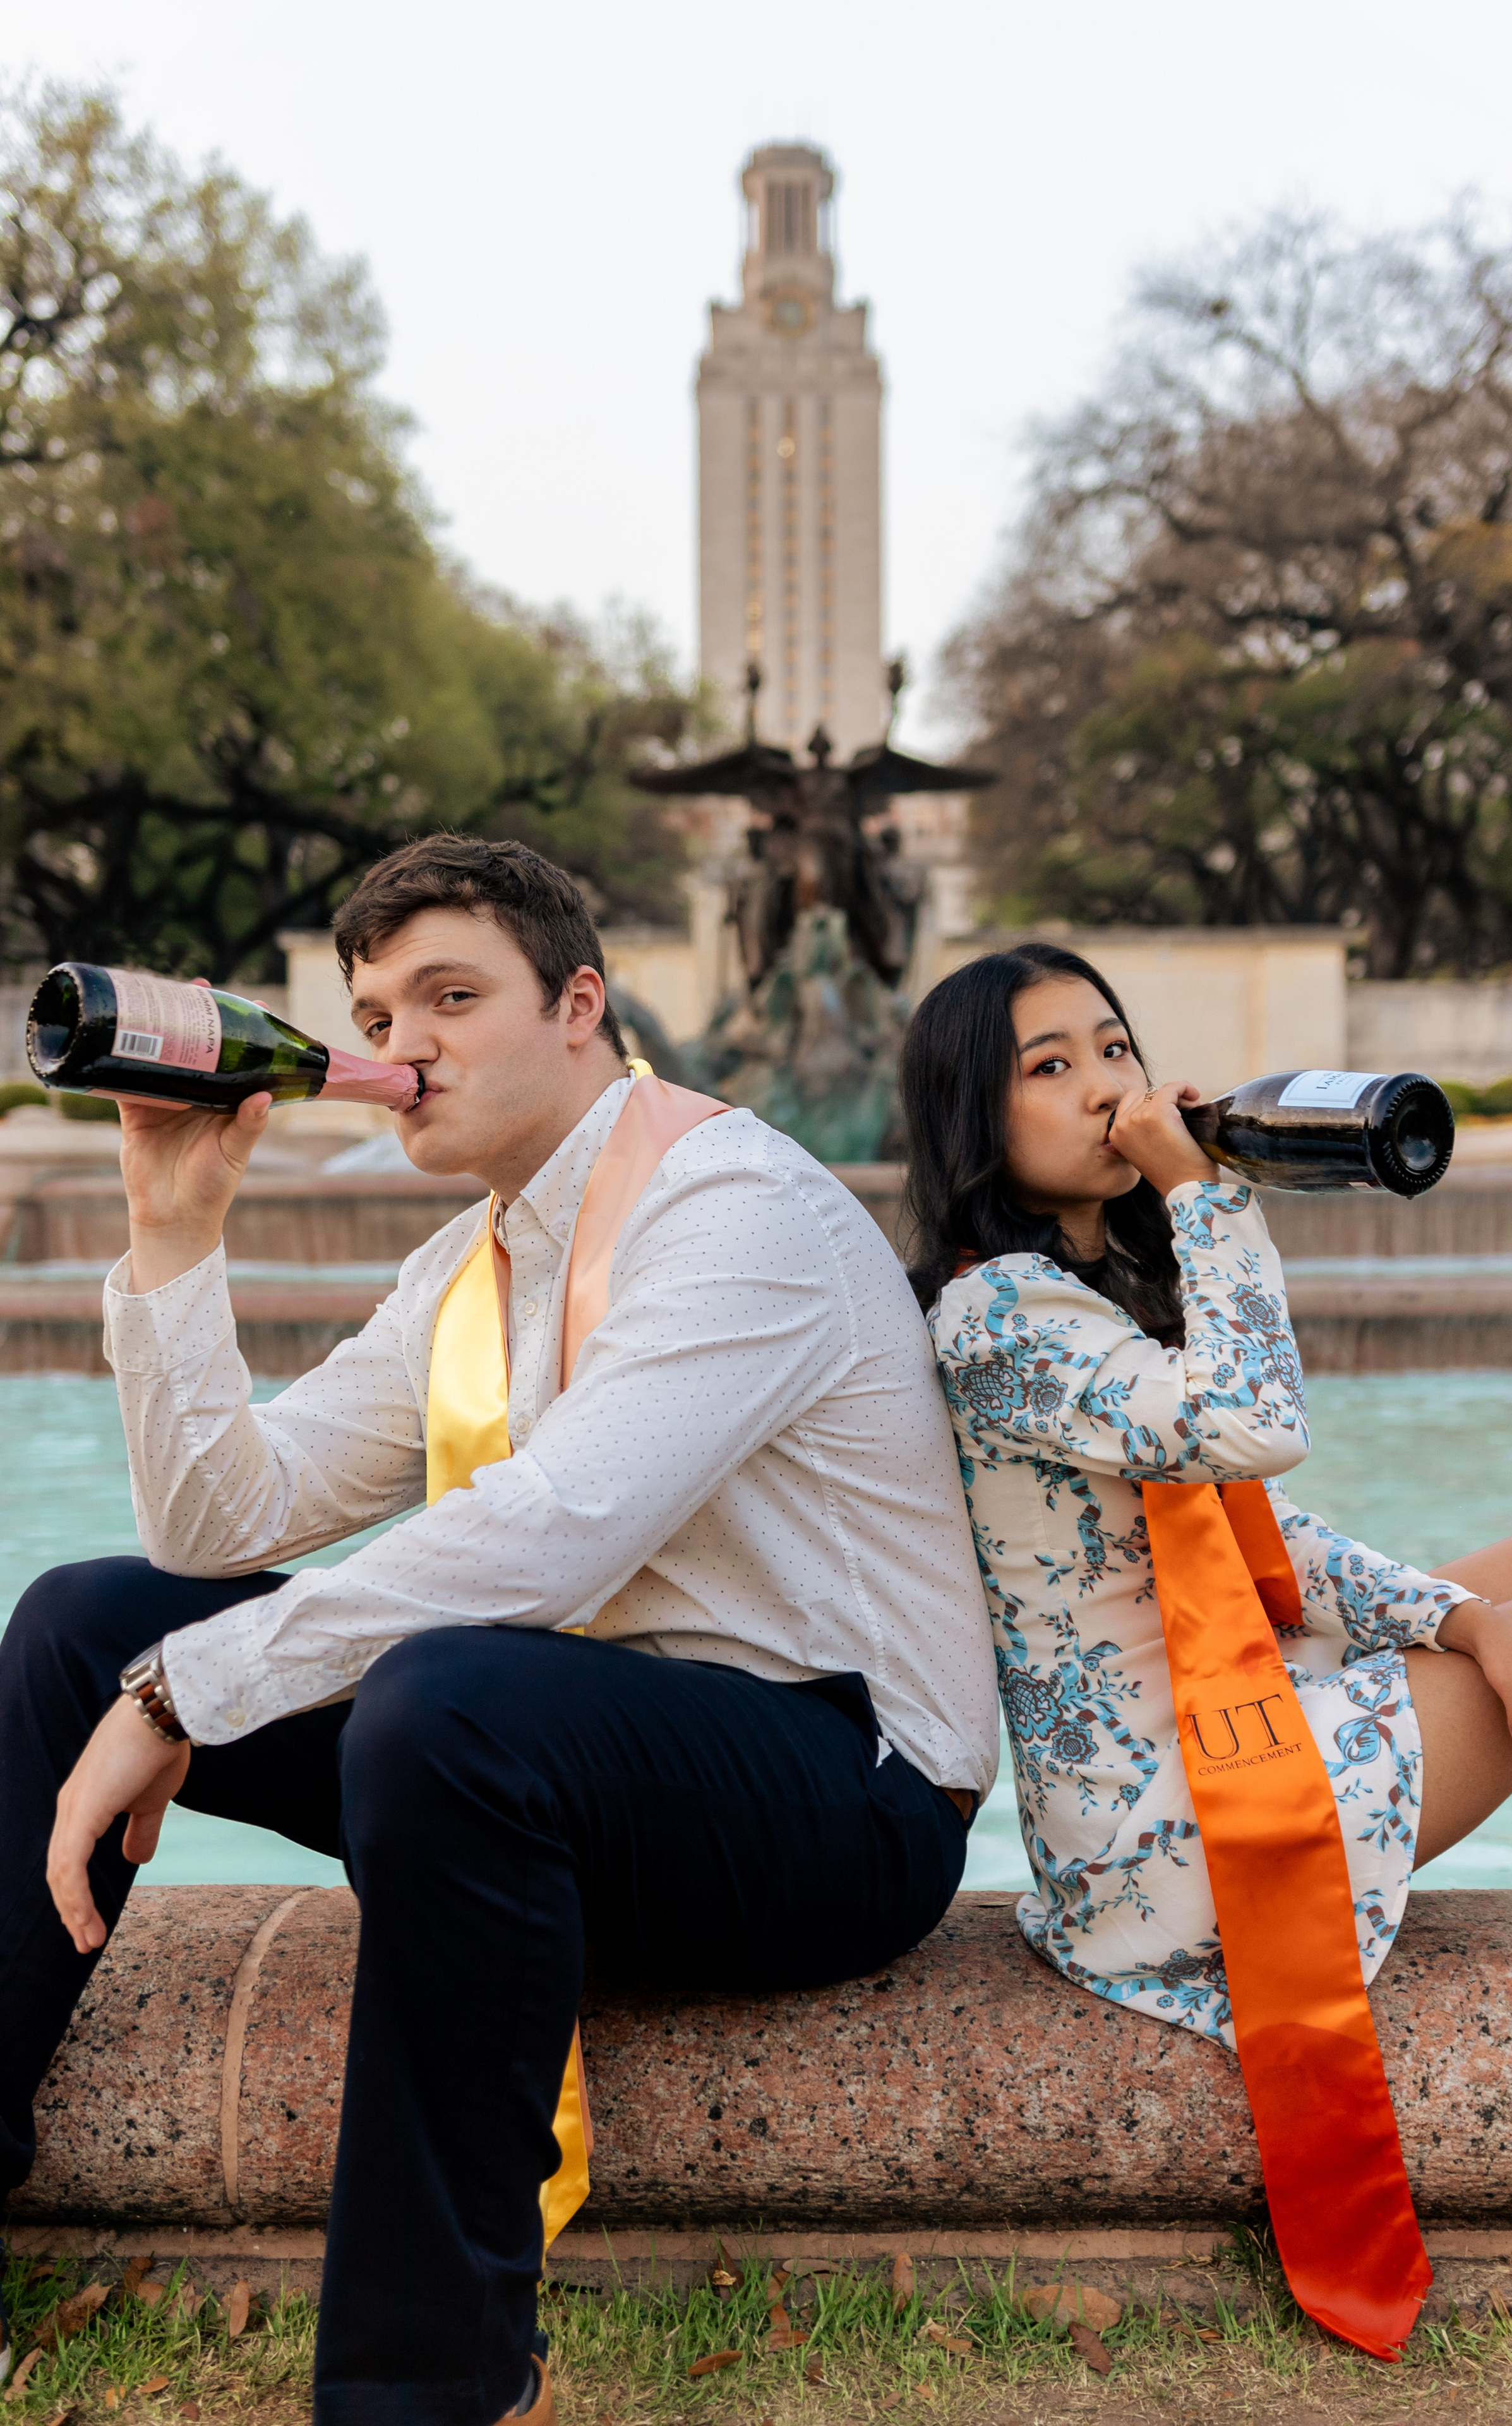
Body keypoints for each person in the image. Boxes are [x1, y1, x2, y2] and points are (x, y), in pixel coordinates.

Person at [0, 838, 998, 2426]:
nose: (403, 1048)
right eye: (378, 1010)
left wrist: (191, 1693)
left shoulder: (728, 1200)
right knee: (82, 1619)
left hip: (841, 1790)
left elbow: (557, 1529)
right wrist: (173, 1233)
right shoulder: (470, 1262)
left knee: (437, 1694)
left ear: (579, 1006)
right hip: (559, 1764)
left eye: (452, 999)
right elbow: (217, 1525)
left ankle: (429, 2386)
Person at [902, 940, 1512, 2047]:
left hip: (1236, 1705)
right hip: (1172, 1837)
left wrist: (1468, 1620)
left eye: (1115, 1046)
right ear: (972, 1118)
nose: (1106, 1085)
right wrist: (1198, 1190)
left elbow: (1261, 1536)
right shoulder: (997, 1318)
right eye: (1049, 1068)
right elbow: (1255, 1427)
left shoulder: (1088, 1293)